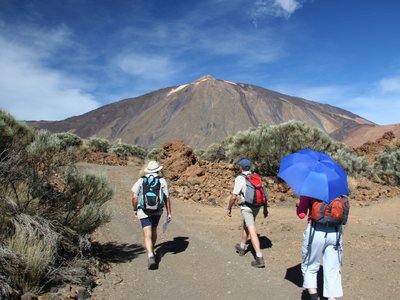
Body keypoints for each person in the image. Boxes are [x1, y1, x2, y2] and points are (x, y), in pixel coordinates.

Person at [297, 195, 344, 300]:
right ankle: (332, 298)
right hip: (335, 232)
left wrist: (299, 205)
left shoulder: (310, 190)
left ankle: (314, 297)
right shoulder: (339, 189)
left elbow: (301, 214)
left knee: (310, 265)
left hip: (316, 231)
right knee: (333, 269)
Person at [226, 158, 268, 268]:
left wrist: (229, 208)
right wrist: (265, 209)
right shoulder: (256, 177)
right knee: (247, 223)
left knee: (252, 229)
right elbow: (263, 193)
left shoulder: (240, 178)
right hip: (257, 206)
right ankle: (242, 247)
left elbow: (234, 196)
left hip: (247, 207)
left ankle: (259, 258)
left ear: (241, 168)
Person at [131, 160, 172, 270]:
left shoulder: (141, 180)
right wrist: (169, 213)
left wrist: (135, 209)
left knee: (146, 232)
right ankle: (152, 249)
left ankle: (150, 254)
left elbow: (134, 197)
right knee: (154, 230)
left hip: (143, 210)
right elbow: (167, 198)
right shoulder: (162, 180)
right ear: (158, 170)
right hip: (157, 210)